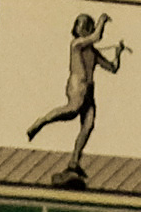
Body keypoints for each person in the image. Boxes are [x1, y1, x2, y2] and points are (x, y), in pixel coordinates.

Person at [17, 11, 125, 187]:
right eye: (82, 26)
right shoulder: (76, 45)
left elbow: (113, 68)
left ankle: (74, 162)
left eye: (86, 26)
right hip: (77, 87)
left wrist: (118, 53)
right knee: (72, 110)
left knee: (88, 125)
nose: (83, 30)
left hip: (89, 90)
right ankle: (41, 122)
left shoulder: (93, 53)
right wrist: (102, 20)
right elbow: (97, 37)